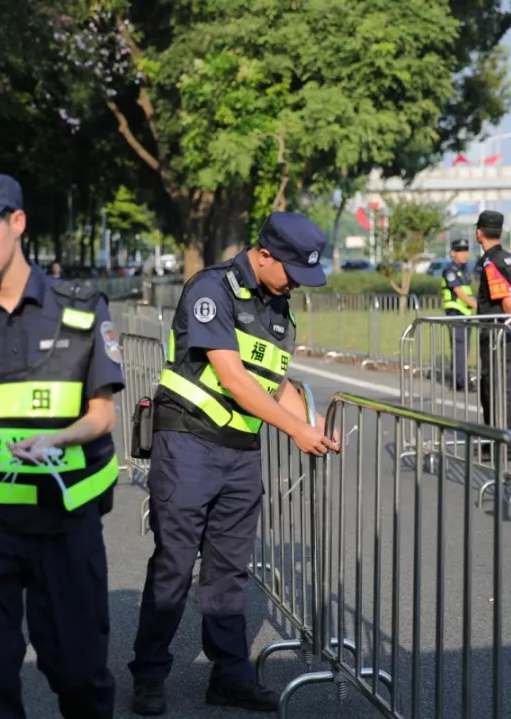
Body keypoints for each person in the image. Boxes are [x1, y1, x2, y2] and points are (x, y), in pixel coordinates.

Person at [0, 172, 122, 719]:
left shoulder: (82, 310)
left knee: (79, 674)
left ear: (17, 223)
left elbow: (102, 415)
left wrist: (57, 436)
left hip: (66, 523)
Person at [128, 211, 339, 716]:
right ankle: (149, 675)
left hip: (240, 454)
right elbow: (235, 379)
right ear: (264, 254)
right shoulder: (212, 289)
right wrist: (295, 430)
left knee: (228, 572)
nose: (296, 284)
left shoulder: (278, 306)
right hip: (188, 445)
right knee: (175, 565)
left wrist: (315, 424)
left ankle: (230, 677)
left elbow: (273, 382)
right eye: (292, 271)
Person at [473, 211, 511, 435]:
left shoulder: (491, 263)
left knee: (495, 387)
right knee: (504, 385)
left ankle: (500, 440)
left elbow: (507, 301)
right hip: (509, 333)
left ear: (479, 233)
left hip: (496, 335)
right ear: (501, 232)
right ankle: (504, 438)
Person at [440, 238, 476, 389]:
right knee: (459, 348)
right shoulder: (451, 271)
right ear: (452, 253)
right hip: (456, 313)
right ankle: (461, 381)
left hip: (465, 314)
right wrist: (478, 306)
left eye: (466, 251)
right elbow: (459, 292)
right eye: (460, 251)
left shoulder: (463, 271)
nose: (464, 254)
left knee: (463, 348)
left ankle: (459, 379)